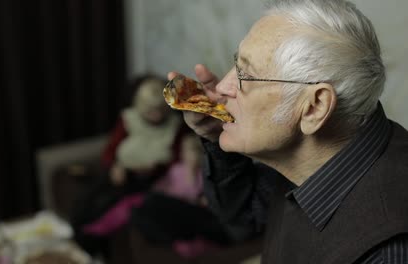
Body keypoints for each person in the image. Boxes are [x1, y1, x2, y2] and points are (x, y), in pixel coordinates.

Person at [170, 0, 408, 263]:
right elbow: (242, 218)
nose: (223, 86)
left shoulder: (387, 250)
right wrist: (217, 136)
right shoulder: (318, 157)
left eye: (245, 74)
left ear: (314, 107)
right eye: (235, 63)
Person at [71, 74, 188, 257]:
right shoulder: (128, 120)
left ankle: (91, 244)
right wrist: (114, 167)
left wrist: (155, 169)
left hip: (150, 181)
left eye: (160, 110)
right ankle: (76, 237)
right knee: (87, 201)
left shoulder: (175, 127)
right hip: (122, 172)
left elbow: (178, 163)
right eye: (150, 111)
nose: (156, 116)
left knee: (111, 208)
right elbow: (109, 152)